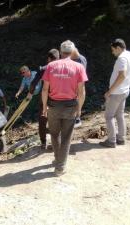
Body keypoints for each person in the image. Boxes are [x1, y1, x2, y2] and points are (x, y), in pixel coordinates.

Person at [41, 40, 88, 176]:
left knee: (54, 135)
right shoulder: (79, 67)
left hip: (53, 105)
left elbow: (45, 89)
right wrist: (79, 108)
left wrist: (44, 107)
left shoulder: (51, 66)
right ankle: (60, 167)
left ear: (60, 52)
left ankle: (57, 160)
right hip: (70, 106)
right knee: (66, 137)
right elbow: (82, 91)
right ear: (72, 52)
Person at [99, 38, 130, 148]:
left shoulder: (122, 58)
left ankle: (111, 141)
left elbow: (122, 75)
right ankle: (121, 139)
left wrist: (109, 91)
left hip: (117, 92)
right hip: (124, 91)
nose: (112, 52)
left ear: (118, 48)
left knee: (109, 116)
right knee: (119, 115)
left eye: (113, 50)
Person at [27, 49, 60, 150]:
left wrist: (30, 93)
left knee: (42, 120)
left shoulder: (44, 69)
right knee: (57, 121)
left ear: (49, 59)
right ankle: (57, 143)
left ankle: (43, 143)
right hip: (59, 98)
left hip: (45, 98)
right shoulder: (64, 67)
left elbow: (33, 83)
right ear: (58, 58)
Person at [71, 47, 87, 128]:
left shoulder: (81, 60)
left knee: (78, 99)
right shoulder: (72, 58)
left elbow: (81, 79)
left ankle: (77, 117)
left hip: (78, 86)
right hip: (72, 86)